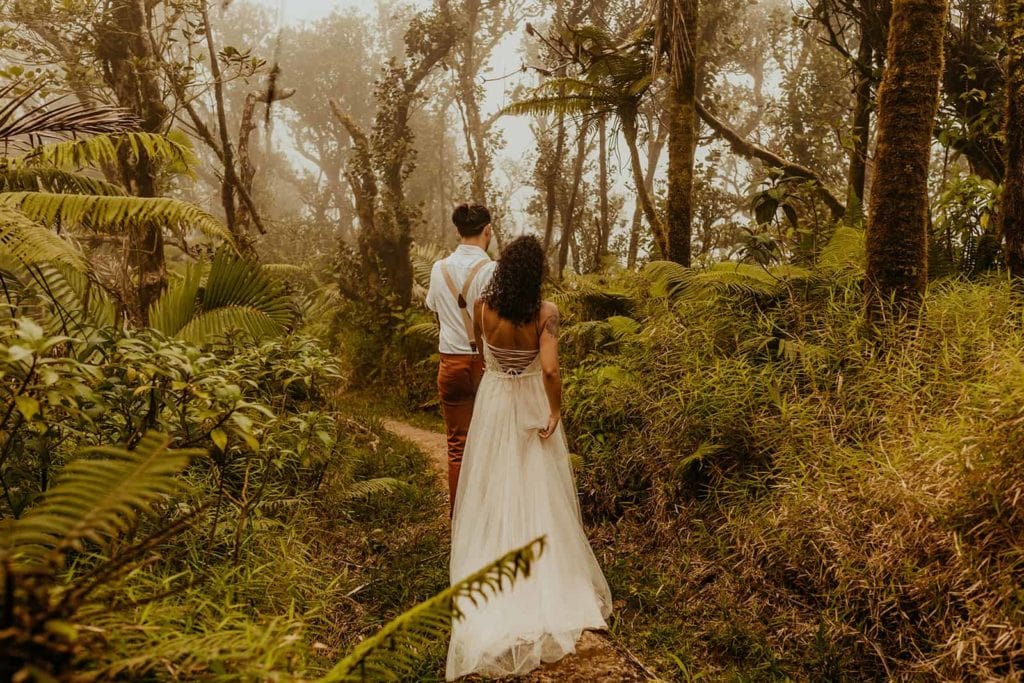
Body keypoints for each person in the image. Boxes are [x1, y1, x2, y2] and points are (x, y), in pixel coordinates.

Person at [446, 235, 612, 681]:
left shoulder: (481, 306)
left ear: (502, 269)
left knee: (494, 480)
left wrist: (501, 373)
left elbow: (477, 351)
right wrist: (555, 408)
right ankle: (540, 568)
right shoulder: (546, 313)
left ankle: (494, 562)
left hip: (496, 398)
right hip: (529, 400)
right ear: (536, 273)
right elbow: (552, 369)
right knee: (537, 482)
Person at [425, 204, 497, 515]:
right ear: (488, 231)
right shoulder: (493, 271)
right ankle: (489, 516)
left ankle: (460, 519)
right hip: (486, 366)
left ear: (458, 232)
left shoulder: (438, 268)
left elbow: (435, 309)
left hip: (450, 363)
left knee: (457, 446)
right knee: (492, 443)